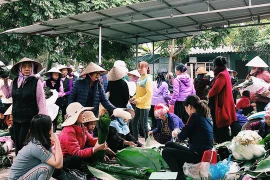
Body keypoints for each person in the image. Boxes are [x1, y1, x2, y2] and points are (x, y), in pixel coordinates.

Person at [1, 57, 46, 154]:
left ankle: (25, 164)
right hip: (16, 118)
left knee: (24, 142)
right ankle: (19, 164)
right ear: (20, 69)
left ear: (33, 68)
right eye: (24, 66)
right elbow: (8, 94)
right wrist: (5, 82)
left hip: (30, 119)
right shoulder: (15, 81)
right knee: (17, 142)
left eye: (29, 66)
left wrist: (43, 120)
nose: (27, 69)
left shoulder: (36, 82)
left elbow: (41, 101)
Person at [162, 95, 213, 180]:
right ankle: (181, 171)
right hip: (204, 153)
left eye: (185, 108)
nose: (186, 111)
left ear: (189, 106)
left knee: (166, 152)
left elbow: (181, 137)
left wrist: (176, 134)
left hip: (198, 155)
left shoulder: (194, 116)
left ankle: (179, 178)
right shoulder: (205, 117)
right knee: (169, 144)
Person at [57, 102, 107, 176]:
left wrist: (101, 143)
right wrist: (94, 149)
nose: (84, 115)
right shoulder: (68, 131)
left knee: (92, 152)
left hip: (76, 155)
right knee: (75, 159)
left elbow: (90, 140)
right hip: (65, 160)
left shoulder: (82, 126)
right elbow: (76, 153)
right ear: (75, 116)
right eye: (82, 113)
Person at [9, 114, 63, 180]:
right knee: (46, 168)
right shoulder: (36, 146)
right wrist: (57, 142)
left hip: (23, 177)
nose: (52, 128)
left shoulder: (39, 141)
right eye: (50, 126)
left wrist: (53, 144)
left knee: (50, 164)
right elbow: (58, 165)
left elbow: (57, 159)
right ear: (45, 129)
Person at [208, 56, 237, 143]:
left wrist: (208, 95)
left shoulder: (221, 75)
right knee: (220, 126)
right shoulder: (225, 73)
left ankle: (223, 146)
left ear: (216, 65)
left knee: (221, 127)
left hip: (221, 105)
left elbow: (216, 89)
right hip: (225, 103)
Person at [130, 61, 153, 140]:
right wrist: (134, 97)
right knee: (134, 122)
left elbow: (149, 94)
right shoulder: (140, 78)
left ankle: (148, 143)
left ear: (146, 68)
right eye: (139, 67)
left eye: (141, 67)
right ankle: (135, 141)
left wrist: (138, 100)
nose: (139, 69)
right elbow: (139, 93)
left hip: (145, 106)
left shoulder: (148, 79)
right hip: (138, 104)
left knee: (144, 125)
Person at [44, 67, 65, 132]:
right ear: (51, 75)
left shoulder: (60, 82)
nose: (56, 76)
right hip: (48, 103)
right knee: (47, 116)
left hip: (57, 102)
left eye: (57, 75)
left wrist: (55, 95)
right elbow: (42, 91)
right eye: (55, 74)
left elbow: (62, 92)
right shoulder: (45, 82)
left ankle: (54, 131)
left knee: (55, 116)